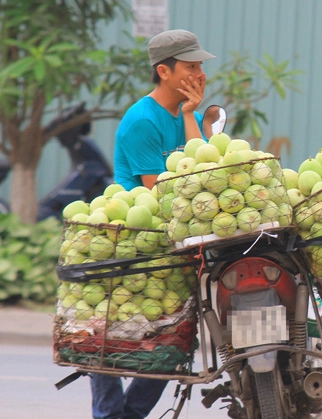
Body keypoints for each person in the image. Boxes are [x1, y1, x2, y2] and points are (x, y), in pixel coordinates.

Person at [90, 29, 215, 419]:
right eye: (190, 67)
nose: (199, 75)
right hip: (138, 236)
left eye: (200, 67)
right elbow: (164, 192)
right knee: (108, 336)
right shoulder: (142, 121)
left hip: (176, 235)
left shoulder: (186, 115)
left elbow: (202, 170)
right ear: (164, 71)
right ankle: (111, 415)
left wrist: (193, 115)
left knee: (175, 336)